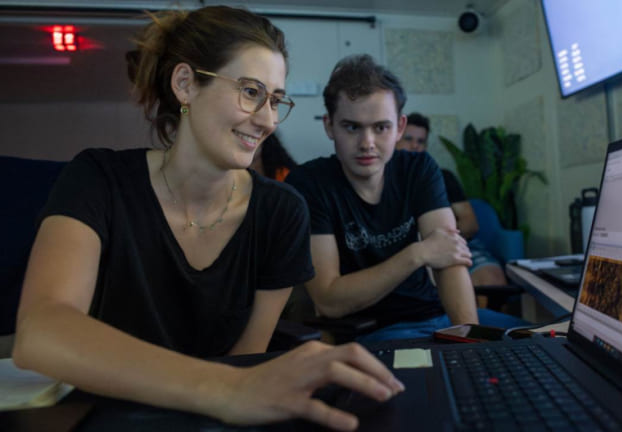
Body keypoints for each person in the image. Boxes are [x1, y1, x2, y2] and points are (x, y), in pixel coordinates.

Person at [12, 7, 402, 431]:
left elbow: (245, 359)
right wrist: (224, 389)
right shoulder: (98, 179)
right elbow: (42, 332)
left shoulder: (282, 211)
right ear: (185, 84)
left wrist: (233, 392)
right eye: (251, 92)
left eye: (275, 100)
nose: (269, 120)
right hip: (104, 412)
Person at [285, 54, 525, 342]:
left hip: (440, 317)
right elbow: (329, 300)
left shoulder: (418, 169)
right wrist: (417, 254)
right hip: (376, 331)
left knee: (545, 344)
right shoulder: (310, 184)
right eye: (352, 127)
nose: (367, 143)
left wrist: (469, 340)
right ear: (329, 126)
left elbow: (449, 257)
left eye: (381, 127)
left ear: (399, 127)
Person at [396, 113, 508, 289]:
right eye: (408, 139)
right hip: (405, 251)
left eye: (421, 141)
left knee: (491, 278)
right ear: (395, 138)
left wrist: (440, 243)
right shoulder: (384, 182)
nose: (415, 146)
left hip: (455, 242)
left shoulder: (443, 177)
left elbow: (470, 223)